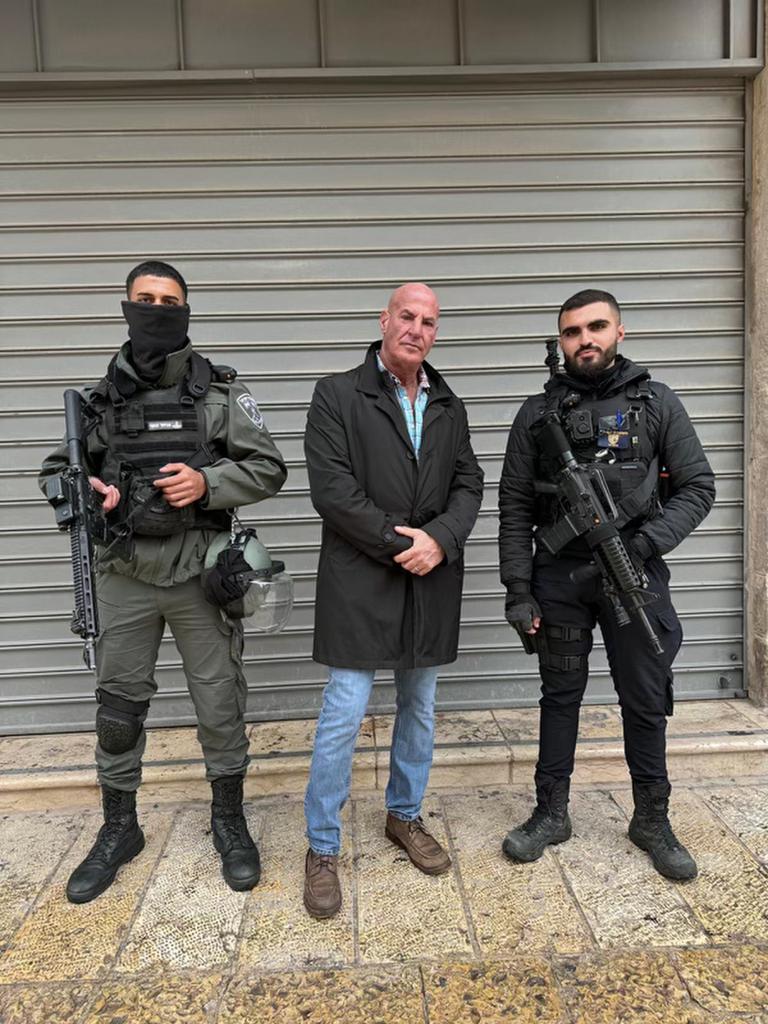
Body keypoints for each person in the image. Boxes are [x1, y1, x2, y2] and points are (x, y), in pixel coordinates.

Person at [39, 260, 287, 902]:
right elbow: (55, 472)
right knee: (118, 711)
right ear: (126, 307)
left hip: (201, 571)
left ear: (185, 311)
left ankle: (228, 821)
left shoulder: (220, 395)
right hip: (123, 573)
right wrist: (83, 493)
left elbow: (269, 467)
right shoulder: (96, 402)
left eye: (168, 301)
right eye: (144, 300)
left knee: (219, 705)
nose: (155, 310)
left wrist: (209, 482)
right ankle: (120, 828)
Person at [498, 289, 715, 881]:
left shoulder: (657, 403)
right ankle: (551, 812)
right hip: (560, 580)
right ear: (561, 341)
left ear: (621, 331)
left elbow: (699, 487)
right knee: (559, 696)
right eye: (572, 331)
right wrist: (519, 590)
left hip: (633, 572)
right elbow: (514, 506)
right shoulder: (535, 415)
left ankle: (651, 817)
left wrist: (644, 545)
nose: (584, 339)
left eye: (596, 327)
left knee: (644, 697)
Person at [301, 282, 484, 918]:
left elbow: (469, 481)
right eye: (407, 316)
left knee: (420, 706)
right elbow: (331, 486)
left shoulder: (448, 403)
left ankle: (403, 817)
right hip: (361, 576)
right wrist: (398, 541)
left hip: (429, 577)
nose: (417, 329)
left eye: (429, 321)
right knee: (344, 713)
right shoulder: (337, 393)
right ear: (384, 320)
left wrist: (441, 537)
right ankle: (322, 846)